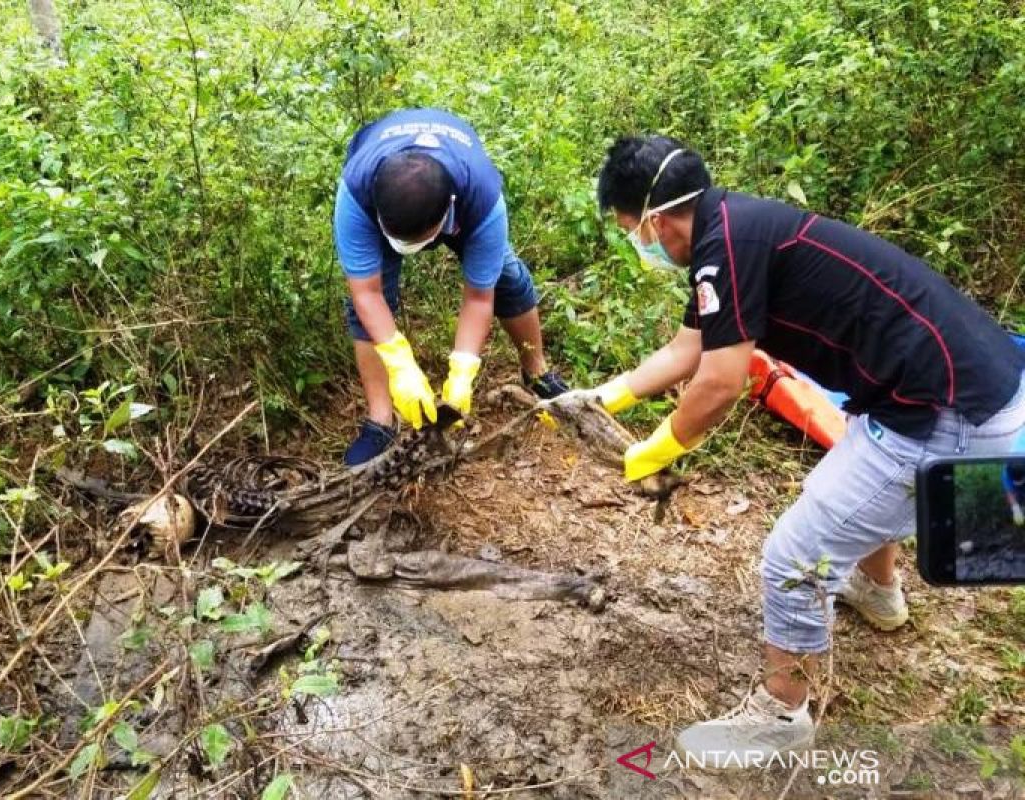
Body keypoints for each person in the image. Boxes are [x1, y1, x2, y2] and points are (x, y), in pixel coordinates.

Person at [585, 135, 1025, 763]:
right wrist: (605, 399)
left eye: (633, 230)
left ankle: (780, 715)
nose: (641, 245)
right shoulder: (729, 230)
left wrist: (661, 446)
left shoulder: (726, 245)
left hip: (947, 410)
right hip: (957, 386)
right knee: (856, 473)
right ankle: (878, 594)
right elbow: (689, 349)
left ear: (656, 218)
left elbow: (718, 381)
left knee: (792, 558)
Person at [334, 108, 567, 466]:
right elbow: (366, 292)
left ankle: (537, 373)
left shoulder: (482, 199)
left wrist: (463, 369)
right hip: (381, 200)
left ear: (447, 217)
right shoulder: (357, 194)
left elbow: (478, 296)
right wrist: (400, 362)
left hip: (464, 197)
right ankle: (380, 419)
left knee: (506, 277)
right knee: (366, 309)